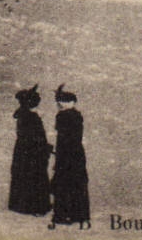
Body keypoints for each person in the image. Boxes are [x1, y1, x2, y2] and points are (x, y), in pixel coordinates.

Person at [49, 85, 89, 229]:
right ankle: (80, 216)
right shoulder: (77, 115)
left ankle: (63, 215)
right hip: (77, 155)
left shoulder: (62, 116)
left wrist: (58, 154)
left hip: (65, 156)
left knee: (63, 185)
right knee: (77, 185)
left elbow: (62, 139)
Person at [8, 85, 52, 217]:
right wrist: (46, 148)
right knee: (35, 177)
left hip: (23, 152)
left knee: (24, 177)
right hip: (33, 154)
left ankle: (23, 206)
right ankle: (36, 207)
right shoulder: (32, 118)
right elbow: (36, 138)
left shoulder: (23, 116)